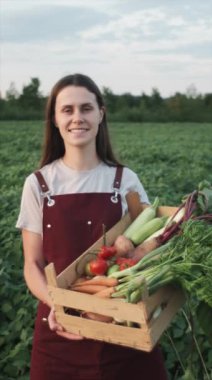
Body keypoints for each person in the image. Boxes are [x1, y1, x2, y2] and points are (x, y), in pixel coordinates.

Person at [16, 73, 168, 380]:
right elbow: (32, 263)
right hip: (60, 331)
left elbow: (150, 249)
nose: (77, 118)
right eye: (67, 110)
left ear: (101, 113)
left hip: (123, 332)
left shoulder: (125, 181)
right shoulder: (39, 184)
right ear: (55, 120)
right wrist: (58, 305)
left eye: (86, 108)